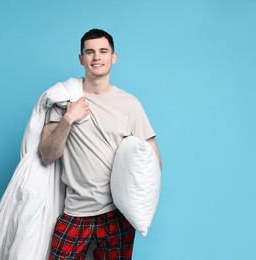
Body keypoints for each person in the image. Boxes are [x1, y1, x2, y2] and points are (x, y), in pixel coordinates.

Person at [38, 29, 162, 259]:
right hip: (75, 211)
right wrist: (68, 119)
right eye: (90, 52)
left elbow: (153, 161)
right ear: (81, 58)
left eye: (103, 51)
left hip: (116, 214)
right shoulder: (65, 99)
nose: (97, 57)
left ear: (113, 57)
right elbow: (47, 154)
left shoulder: (130, 104)